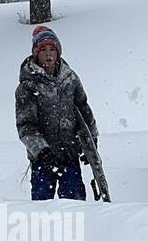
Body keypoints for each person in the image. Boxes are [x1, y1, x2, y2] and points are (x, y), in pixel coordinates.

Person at [15, 25, 99, 201]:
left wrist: (91, 141)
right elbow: (26, 126)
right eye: (43, 49)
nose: (48, 54)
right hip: (42, 160)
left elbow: (84, 111)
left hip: (69, 154)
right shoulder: (28, 86)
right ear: (36, 53)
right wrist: (42, 152)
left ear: (58, 52)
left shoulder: (70, 79)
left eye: (52, 49)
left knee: (76, 207)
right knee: (42, 209)